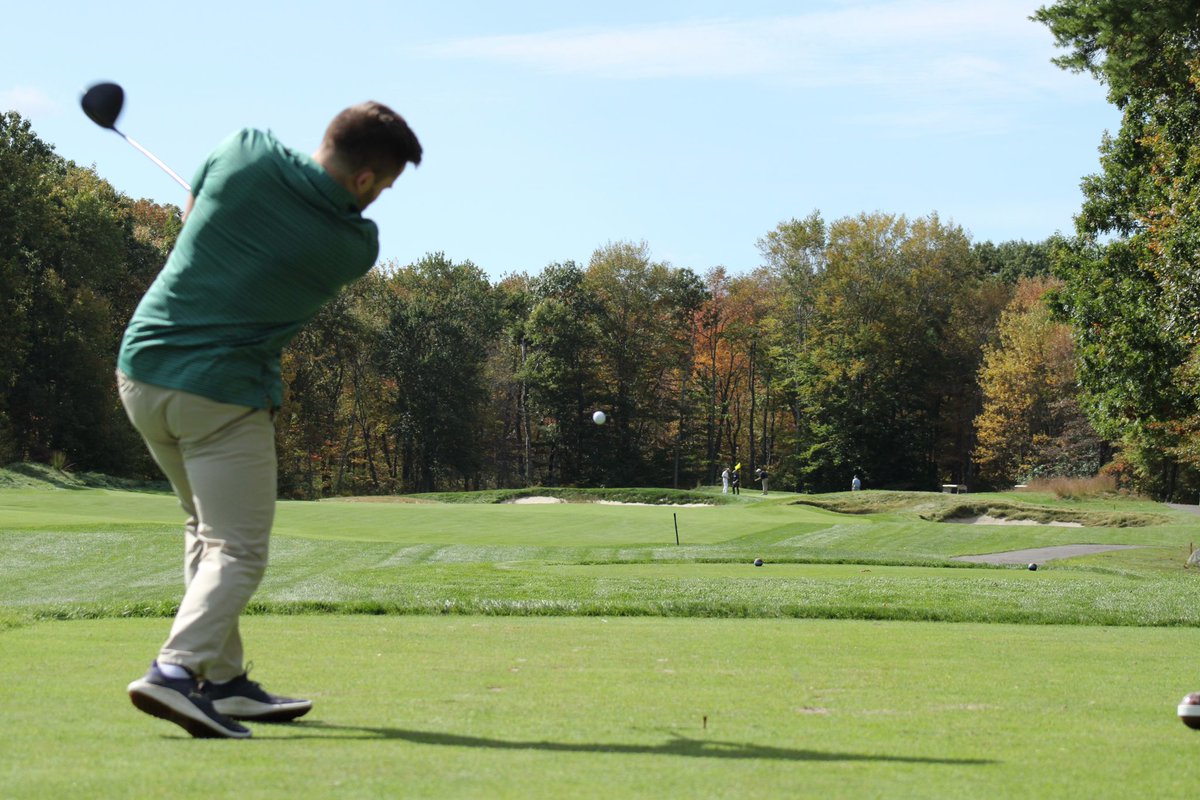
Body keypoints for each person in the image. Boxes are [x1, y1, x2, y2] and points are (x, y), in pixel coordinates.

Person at [117, 102, 422, 739]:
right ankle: (175, 671)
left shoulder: (243, 150)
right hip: (222, 396)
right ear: (366, 180)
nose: (380, 201)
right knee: (239, 548)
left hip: (142, 372)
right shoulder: (352, 245)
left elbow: (194, 211)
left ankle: (222, 683)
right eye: (385, 187)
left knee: (206, 530)